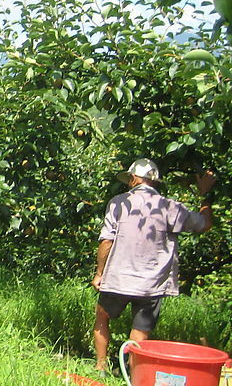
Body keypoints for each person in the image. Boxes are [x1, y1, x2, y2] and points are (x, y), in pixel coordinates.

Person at [91, 159, 216, 374]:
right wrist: (204, 195)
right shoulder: (171, 208)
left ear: (132, 179)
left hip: (119, 277)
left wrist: (99, 273)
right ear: (155, 182)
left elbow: (106, 242)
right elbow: (205, 225)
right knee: (140, 332)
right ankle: (131, 376)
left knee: (102, 316)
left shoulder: (118, 203)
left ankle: (100, 367)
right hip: (152, 283)